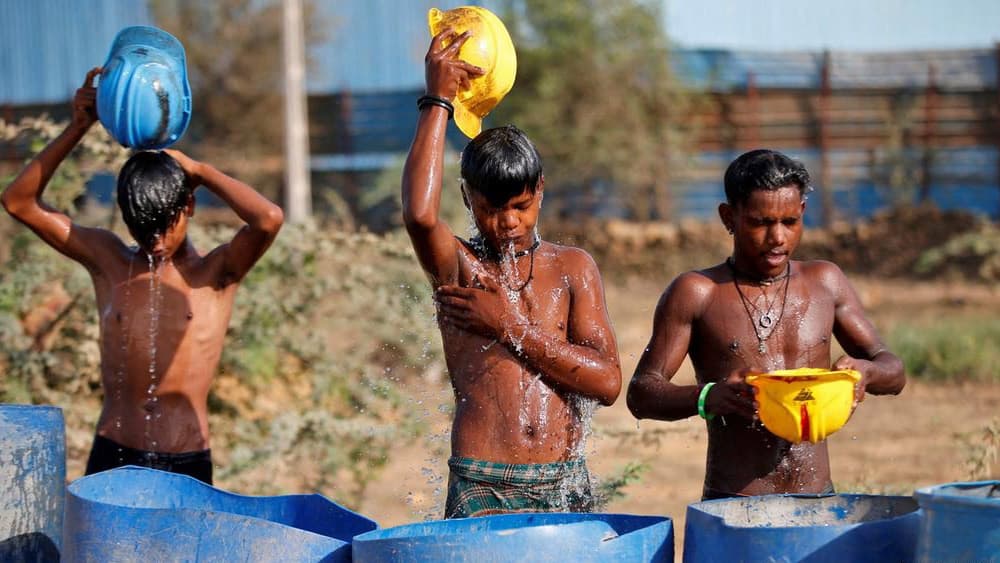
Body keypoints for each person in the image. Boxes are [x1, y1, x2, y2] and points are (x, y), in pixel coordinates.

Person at [1, 69, 284, 484]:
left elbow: (268, 218)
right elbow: (18, 201)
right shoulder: (107, 260)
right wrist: (78, 127)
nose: (152, 241)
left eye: (162, 226)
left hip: (186, 461)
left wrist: (200, 170)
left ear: (188, 206)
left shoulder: (218, 273)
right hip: (113, 453)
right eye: (140, 228)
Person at [403, 29, 622, 518]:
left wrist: (510, 326)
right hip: (483, 479)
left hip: (563, 477)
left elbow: (607, 383)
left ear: (540, 190)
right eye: (491, 209)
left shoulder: (572, 268)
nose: (508, 223)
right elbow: (418, 215)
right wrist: (437, 100)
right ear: (466, 200)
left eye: (521, 207)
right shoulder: (460, 268)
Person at [626, 149, 905, 500]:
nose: (777, 238)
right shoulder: (697, 292)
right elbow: (641, 393)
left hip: (818, 499)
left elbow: (893, 370)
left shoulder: (825, 282)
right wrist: (710, 396)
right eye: (760, 223)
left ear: (803, 212)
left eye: (790, 222)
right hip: (735, 502)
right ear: (729, 218)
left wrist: (866, 373)